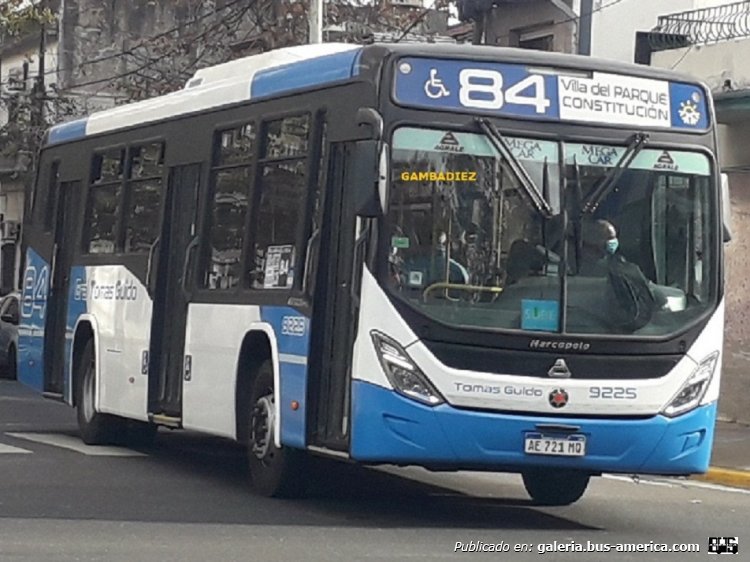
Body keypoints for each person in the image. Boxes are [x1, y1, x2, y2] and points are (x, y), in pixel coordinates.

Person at [580, 219, 658, 331]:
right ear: (593, 241)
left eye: (614, 238)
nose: (613, 241)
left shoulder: (626, 270)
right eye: (608, 238)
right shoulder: (568, 270)